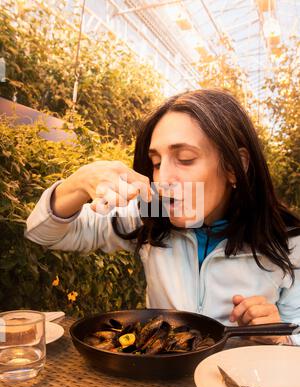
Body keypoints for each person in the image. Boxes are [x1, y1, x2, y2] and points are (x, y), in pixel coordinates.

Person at [25, 89, 300, 345]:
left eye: (185, 158)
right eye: (156, 163)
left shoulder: (288, 241)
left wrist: (279, 337)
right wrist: (78, 183)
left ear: (235, 166)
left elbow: (295, 333)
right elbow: (42, 232)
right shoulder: (153, 215)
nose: (163, 178)